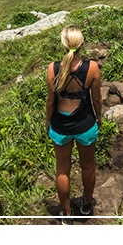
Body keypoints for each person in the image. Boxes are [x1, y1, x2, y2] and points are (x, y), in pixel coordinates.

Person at [45, 25, 102, 218]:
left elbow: (51, 100)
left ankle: (67, 214)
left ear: (63, 44)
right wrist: (99, 118)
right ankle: (86, 205)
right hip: (85, 124)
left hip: (60, 126)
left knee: (62, 170)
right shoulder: (92, 67)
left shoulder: (53, 69)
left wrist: (47, 121)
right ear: (81, 44)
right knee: (88, 165)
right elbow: (96, 99)